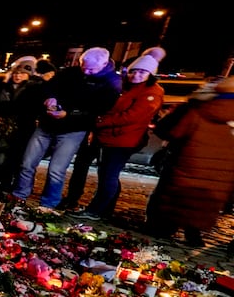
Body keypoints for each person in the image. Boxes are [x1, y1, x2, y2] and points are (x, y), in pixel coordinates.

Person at [12, 47, 121, 210]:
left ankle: (48, 204)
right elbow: (49, 87)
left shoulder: (110, 83)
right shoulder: (71, 72)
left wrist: (69, 114)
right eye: (83, 65)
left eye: (91, 68)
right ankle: (19, 195)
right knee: (27, 162)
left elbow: (97, 110)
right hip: (47, 124)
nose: (86, 70)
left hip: (73, 130)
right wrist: (50, 98)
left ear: (104, 64)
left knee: (56, 169)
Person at [61, 47, 165, 211]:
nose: (135, 75)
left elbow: (131, 116)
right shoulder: (125, 86)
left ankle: (97, 210)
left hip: (123, 139)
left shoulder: (152, 92)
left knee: (108, 175)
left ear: (151, 74)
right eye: (133, 71)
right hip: (103, 135)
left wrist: (99, 120)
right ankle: (88, 204)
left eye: (142, 72)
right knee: (93, 169)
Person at [144, 76, 234, 246]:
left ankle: (163, 230)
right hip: (220, 172)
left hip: (187, 164)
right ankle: (193, 234)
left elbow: (170, 132)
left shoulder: (197, 108)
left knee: (176, 197)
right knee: (202, 202)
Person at [0, 56, 41, 200]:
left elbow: (32, 111)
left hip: (19, 133)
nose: (18, 76)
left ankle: (4, 188)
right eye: (16, 73)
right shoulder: (2, 88)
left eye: (22, 73)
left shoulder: (33, 90)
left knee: (11, 162)